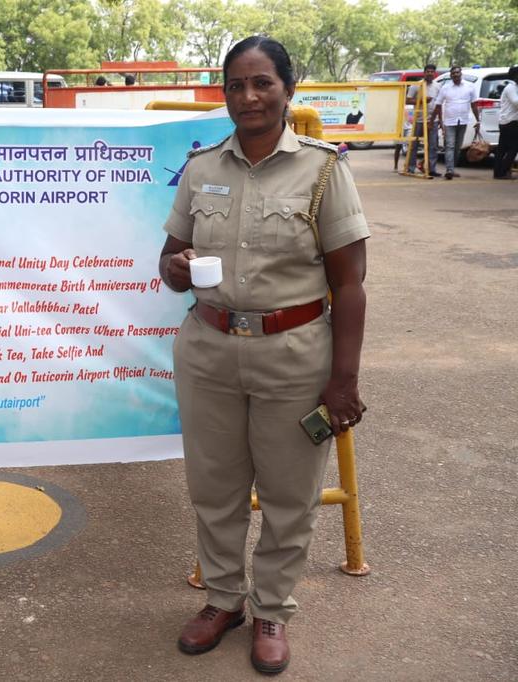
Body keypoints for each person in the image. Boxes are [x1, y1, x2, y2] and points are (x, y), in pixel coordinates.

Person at [159, 36, 368, 675]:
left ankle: (272, 608)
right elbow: (168, 262)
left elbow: (350, 284)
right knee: (214, 487)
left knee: (289, 493)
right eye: (236, 86)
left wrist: (343, 381)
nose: (248, 97)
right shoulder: (201, 168)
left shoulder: (324, 170)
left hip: (294, 355)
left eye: (262, 83)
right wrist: (176, 267)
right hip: (209, 351)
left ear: (287, 90)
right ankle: (223, 600)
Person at [432, 65, 480, 180]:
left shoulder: (470, 86)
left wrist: (478, 120)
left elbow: (474, 105)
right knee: (450, 145)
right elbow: (438, 105)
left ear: (461, 74)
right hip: (449, 121)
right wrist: (434, 120)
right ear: (451, 75)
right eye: (453, 73)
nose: (455, 75)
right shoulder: (445, 88)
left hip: (463, 120)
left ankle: (452, 169)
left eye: (457, 73)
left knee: (458, 147)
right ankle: (449, 170)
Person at [405, 64, 442, 176]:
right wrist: (422, 101)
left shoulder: (438, 86)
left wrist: (440, 120)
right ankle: (410, 168)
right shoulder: (416, 85)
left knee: (433, 146)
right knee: (414, 145)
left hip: (433, 120)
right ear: (424, 73)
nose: (430, 73)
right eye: (428, 71)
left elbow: (439, 104)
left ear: (434, 73)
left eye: (432, 72)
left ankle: (431, 169)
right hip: (419, 120)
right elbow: (407, 100)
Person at [492, 65, 518, 179]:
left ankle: (498, 172)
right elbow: (516, 102)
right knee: (514, 148)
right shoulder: (511, 88)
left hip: (507, 122)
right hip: (510, 122)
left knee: (502, 149)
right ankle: (502, 171)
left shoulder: (514, 87)